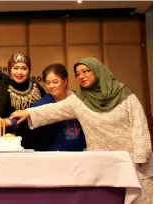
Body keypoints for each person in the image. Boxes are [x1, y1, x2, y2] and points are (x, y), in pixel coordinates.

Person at [10, 57, 152, 204]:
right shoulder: (79, 100)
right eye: (77, 74)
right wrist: (28, 113)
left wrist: (140, 157)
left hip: (131, 161)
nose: (81, 76)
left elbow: (139, 125)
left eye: (85, 71)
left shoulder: (125, 95)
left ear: (97, 71)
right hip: (101, 164)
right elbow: (52, 110)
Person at [0, 53, 46, 149]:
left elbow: (46, 110)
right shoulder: (5, 88)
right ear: (9, 69)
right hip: (14, 141)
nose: (19, 72)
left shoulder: (36, 87)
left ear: (29, 70)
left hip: (39, 139)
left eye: (24, 68)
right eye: (15, 68)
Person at [31, 63, 86, 151]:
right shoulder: (41, 104)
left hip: (80, 153)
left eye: (55, 82)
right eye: (48, 83)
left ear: (65, 81)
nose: (51, 86)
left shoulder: (78, 99)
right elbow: (27, 120)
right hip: (52, 156)